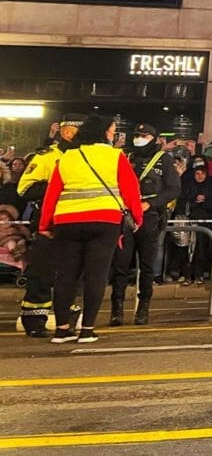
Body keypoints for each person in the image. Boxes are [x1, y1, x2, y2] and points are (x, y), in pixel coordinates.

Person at [39, 115, 143, 344]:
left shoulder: (67, 158)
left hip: (67, 222)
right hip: (104, 221)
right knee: (96, 275)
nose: (113, 135)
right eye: (112, 131)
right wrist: (137, 218)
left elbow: (52, 193)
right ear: (105, 132)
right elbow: (130, 190)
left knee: (66, 275)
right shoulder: (115, 156)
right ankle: (86, 329)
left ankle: (62, 329)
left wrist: (45, 224)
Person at [17, 117, 85, 337]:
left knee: (72, 274)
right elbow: (24, 189)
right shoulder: (46, 157)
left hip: (76, 222)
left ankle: (68, 319)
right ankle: (35, 320)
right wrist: (57, 185)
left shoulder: (85, 156)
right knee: (42, 273)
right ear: (67, 133)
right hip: (50, 222)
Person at [110, 123, 179, 326]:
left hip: (150, 217)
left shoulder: (164, 160)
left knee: (147, 266)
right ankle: (117, 309)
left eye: (144, 135)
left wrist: (151, 203)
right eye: (137, 134)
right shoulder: (126, 158)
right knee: (120, 265)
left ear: (155, 138)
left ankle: (143, 308)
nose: (139, 138)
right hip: (126, 215)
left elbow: (174, 189)